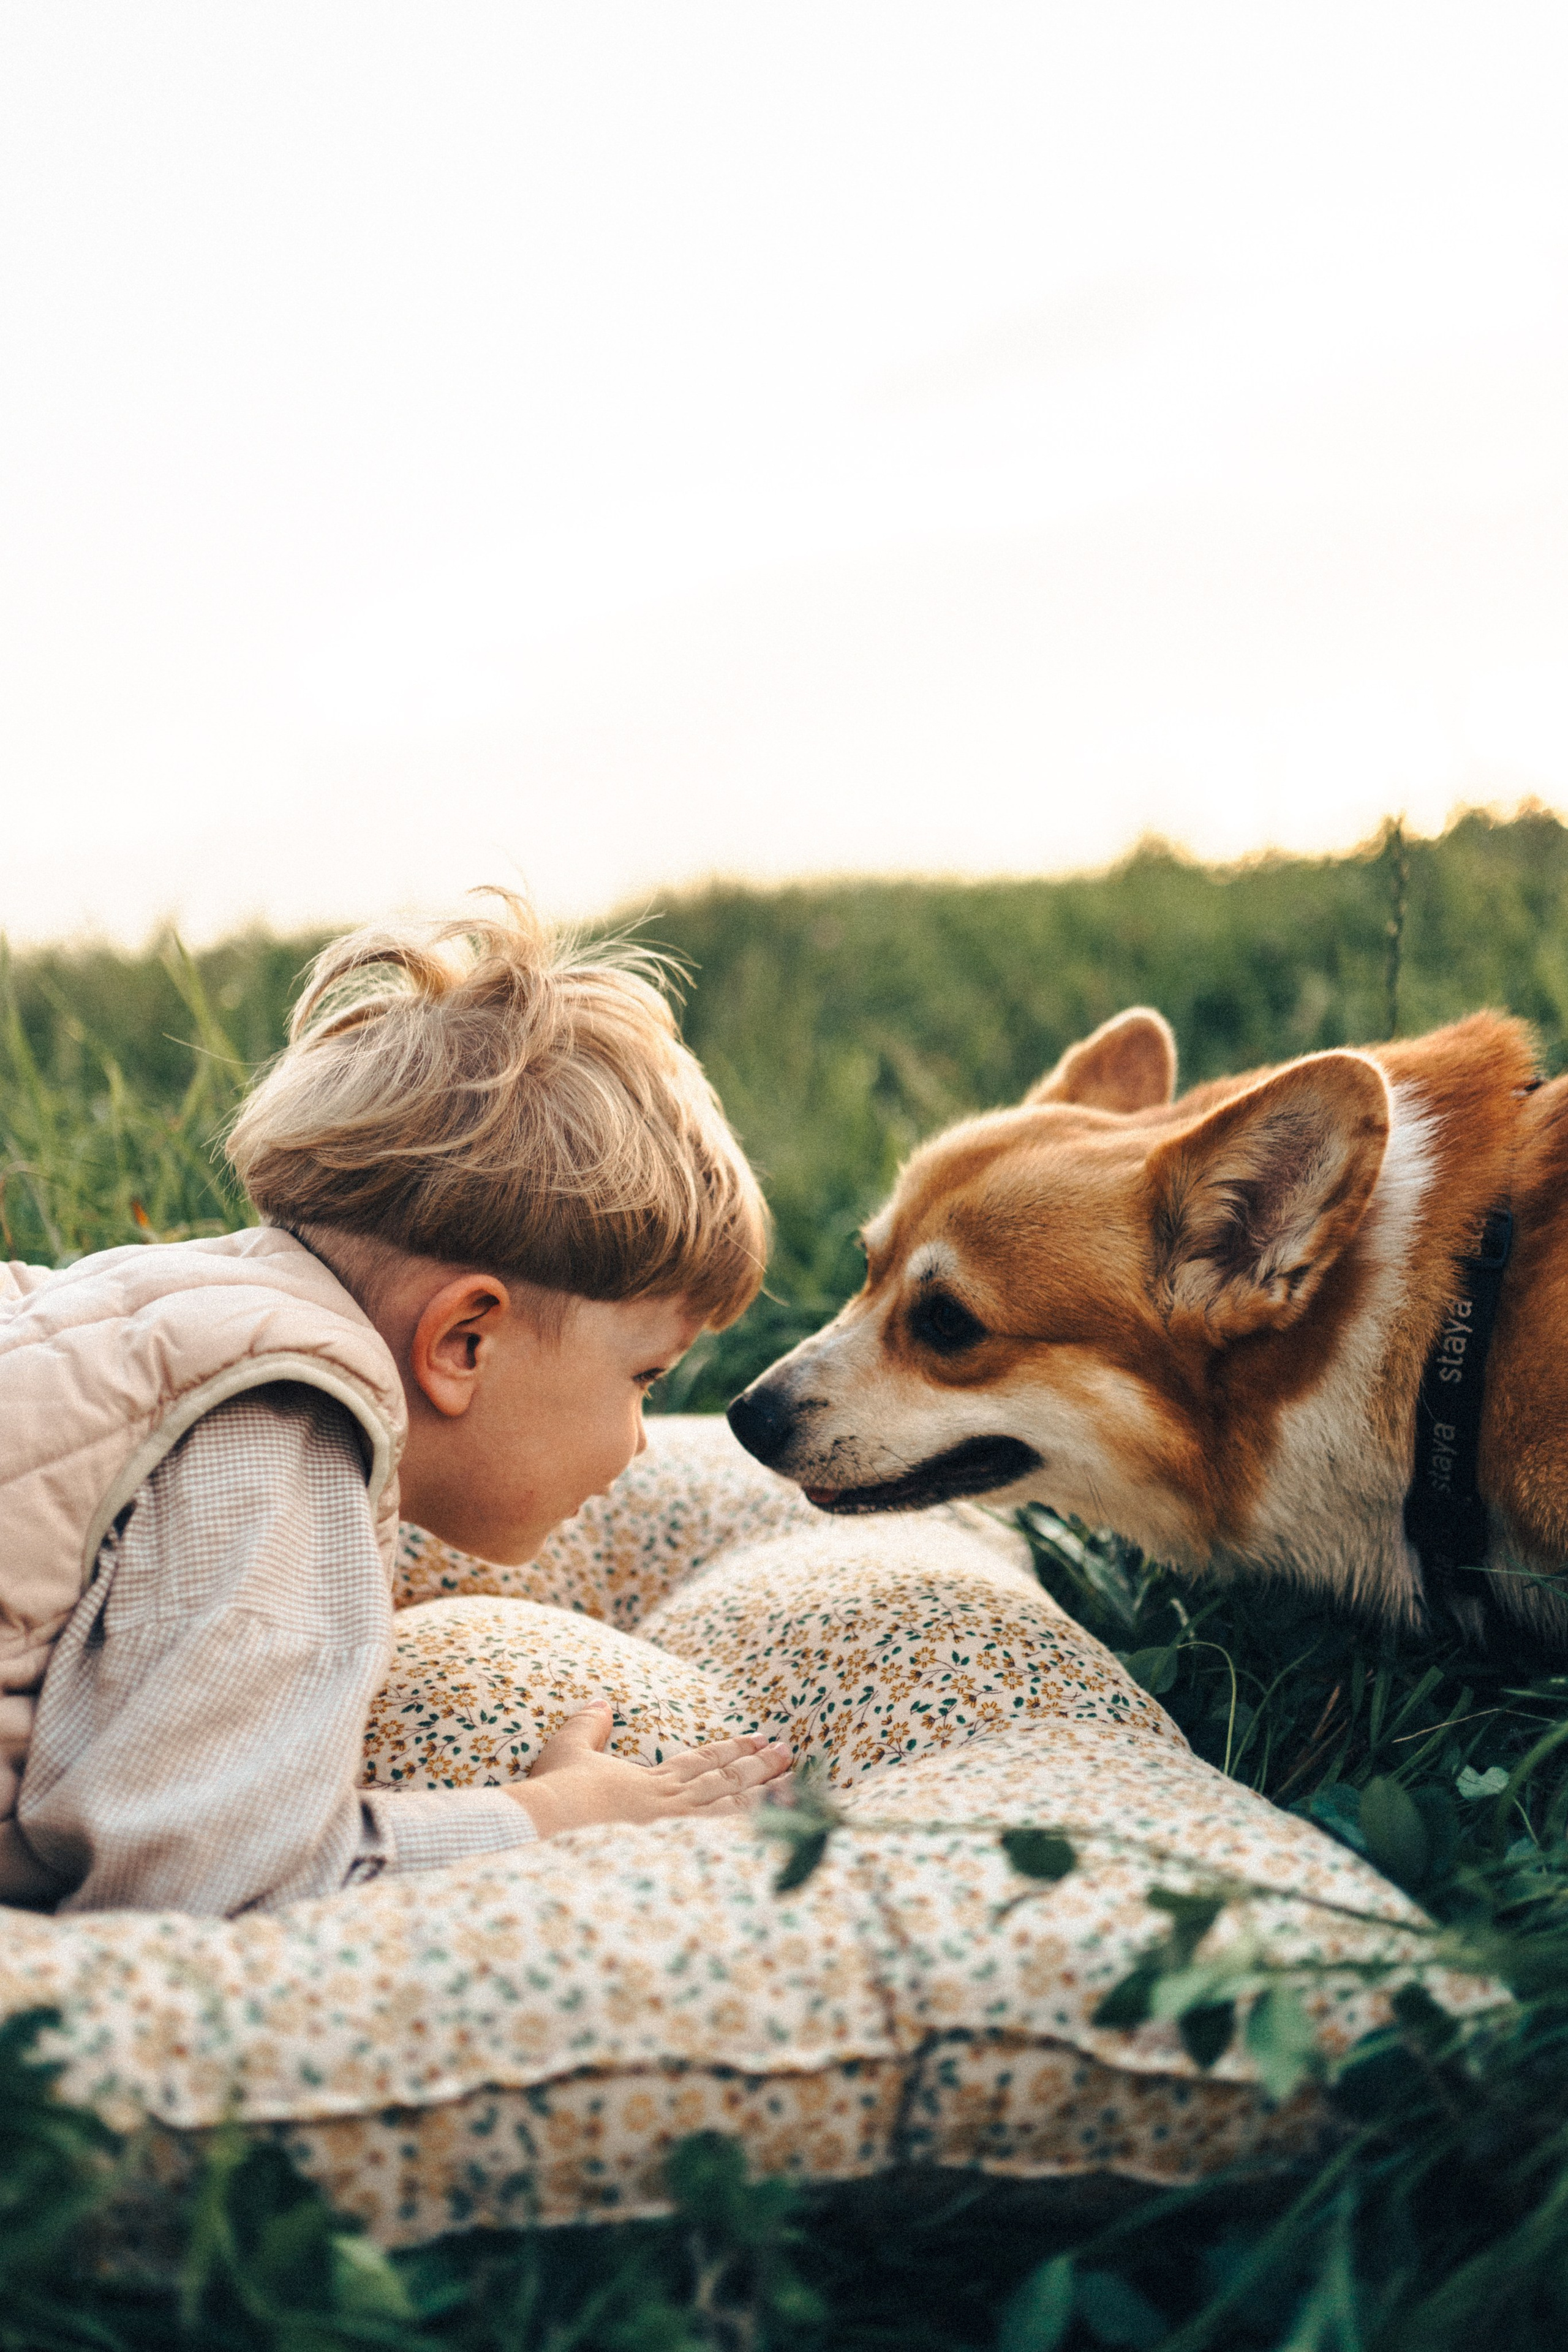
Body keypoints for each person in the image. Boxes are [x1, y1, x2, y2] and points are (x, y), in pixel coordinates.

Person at [0, 896, 793, 1915]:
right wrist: (554, 1817)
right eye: (645, 1379)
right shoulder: (283, 1439)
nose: (640, 1443)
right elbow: (204, 1880)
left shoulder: (158, 1303)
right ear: (464, 1342)